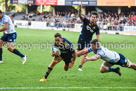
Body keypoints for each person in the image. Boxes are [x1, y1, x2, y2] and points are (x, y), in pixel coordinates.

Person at [77, 3, 100, 71]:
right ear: (90, 17)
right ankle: (70, 57)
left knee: (85, 53)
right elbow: (79, 15)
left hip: (88, 41)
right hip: (81, 39)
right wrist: (80, 8)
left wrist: (96, 45)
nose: (93, 18)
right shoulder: (86, 21)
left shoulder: (96, 27)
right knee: (77, 54)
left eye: (95, 17)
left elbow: (97, 38)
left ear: (96, 18)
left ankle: (80, 67)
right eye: (92, 17)